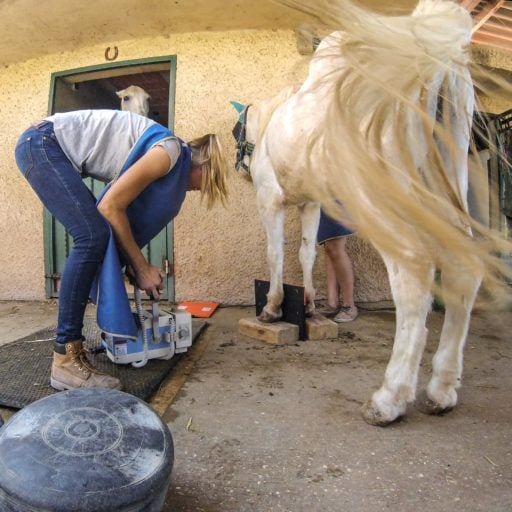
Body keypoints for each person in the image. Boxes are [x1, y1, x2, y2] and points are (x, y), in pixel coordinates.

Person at [15, 109, 228, 391]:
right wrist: (141, 267)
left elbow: (119, 213)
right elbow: (111, 207)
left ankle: (69, 353)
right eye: (206, 184)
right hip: (42, 143)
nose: (198, 190)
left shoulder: (168, 154)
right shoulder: (169, 151)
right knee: (92, 236)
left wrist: (132, 263)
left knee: (96, 235)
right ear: (204, 166)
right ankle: (65, 362)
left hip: (45, 144)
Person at [316, 210, 358, 322]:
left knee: (335, 246)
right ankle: (332, 303)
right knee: (330, 246)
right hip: (321, 195)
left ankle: (349, 305)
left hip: (337, 194)